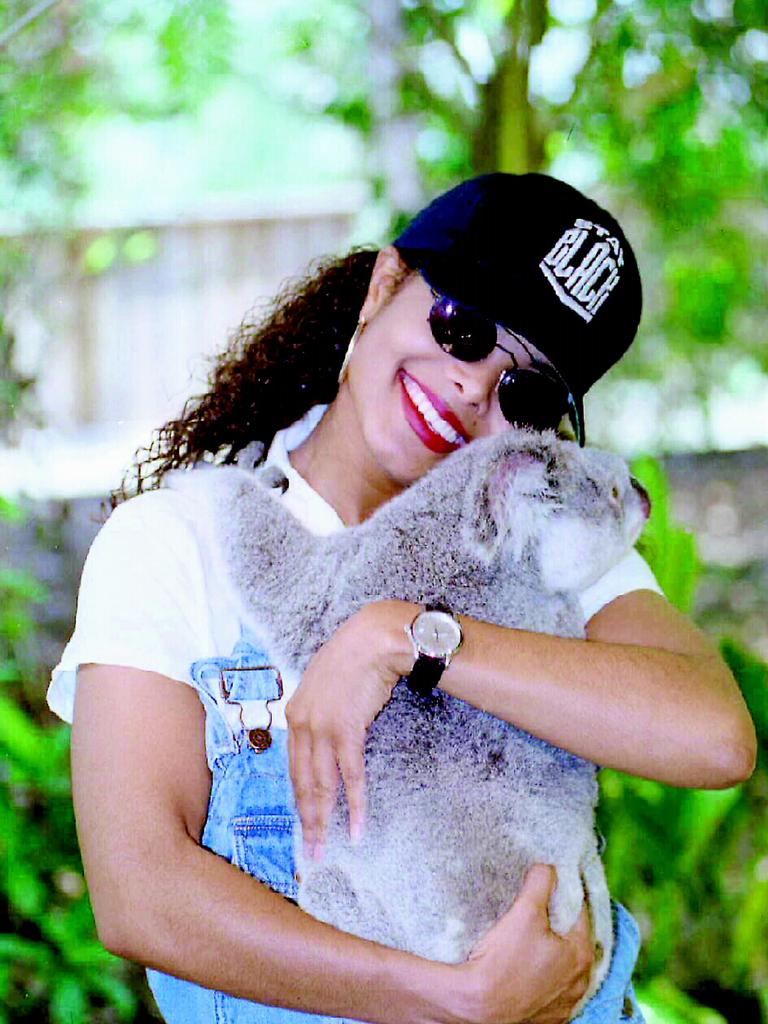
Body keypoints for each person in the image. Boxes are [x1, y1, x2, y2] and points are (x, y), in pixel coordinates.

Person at [49, 173, 756, 1024]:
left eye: (523, 391)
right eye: (462, 329)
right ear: (384, 287)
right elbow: (139, 894)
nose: (471, 388)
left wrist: (411, 639)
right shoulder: (186, 540)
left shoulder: (545, 545)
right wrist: (448, 1000)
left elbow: (714, 738)